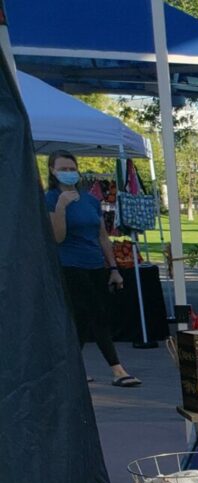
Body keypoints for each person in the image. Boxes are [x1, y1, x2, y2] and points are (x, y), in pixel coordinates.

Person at [45, 152, 140, 387]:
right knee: (91, 315)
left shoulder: (90, 200)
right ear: (52, 171)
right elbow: (57, 237)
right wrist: (61, 206)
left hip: (95, 264)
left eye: (72, 168)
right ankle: (117, 369)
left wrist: (113, 267)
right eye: (63, 169)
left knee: (88, 318)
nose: (69, 173)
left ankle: (71, 369)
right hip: (69, 265)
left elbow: (102, 236)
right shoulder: (50, 198)